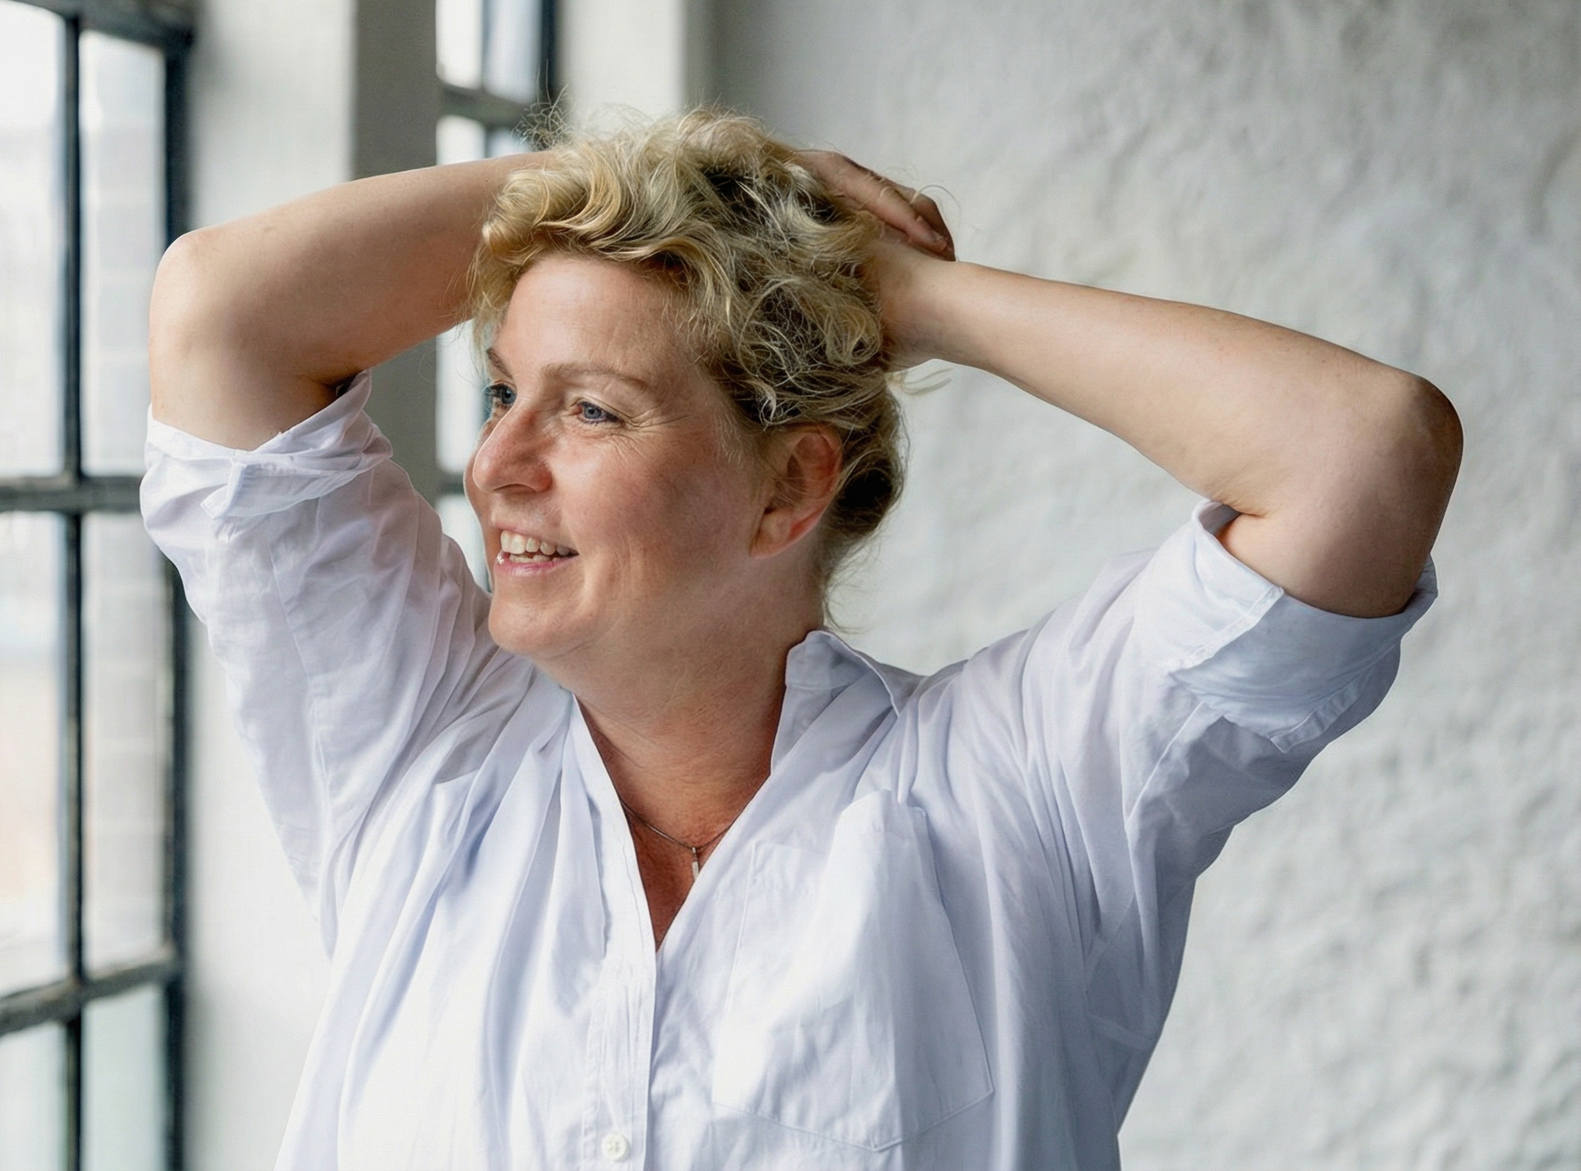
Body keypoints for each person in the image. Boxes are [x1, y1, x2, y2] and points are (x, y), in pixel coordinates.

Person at [141, 110, 1458, 1170]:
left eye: (589, 411)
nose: (495, 464)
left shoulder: (1021, 793)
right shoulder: (418, 750)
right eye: (502, 394)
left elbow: (1362, 450)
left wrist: (897, 288)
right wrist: (680, 181)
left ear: (788, 486)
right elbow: (222, 314)